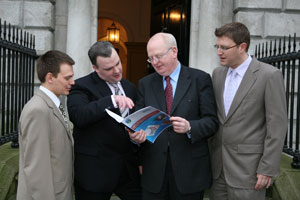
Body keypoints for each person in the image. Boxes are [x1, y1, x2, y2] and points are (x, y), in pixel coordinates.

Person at [130, 32, 219, 200]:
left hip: (189, 173)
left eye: (158, 56)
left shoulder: (200, 79)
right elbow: (138, 123)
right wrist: (136, 137)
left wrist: (190, 127)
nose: (155, 62)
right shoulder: (145, 84)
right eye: (151, 58)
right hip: (154, 173)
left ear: (174, 51)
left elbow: (212, 122)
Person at [209, 22, 288, 200]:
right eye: (217, 46)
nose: (219, 52)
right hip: (217, 169)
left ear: (242, 47)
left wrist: (267, 168)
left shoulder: (269, 75)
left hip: (249, 172)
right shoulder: (217, 74)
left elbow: (277, 126)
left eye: (224, 47)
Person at [67, 41, 141, 200]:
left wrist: (138, 138)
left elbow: (135, 122)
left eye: (118, 63)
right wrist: (111, 100)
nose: (116, 71)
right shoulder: (80, 86)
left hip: (128, 171)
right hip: (95, 174)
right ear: (95, 68)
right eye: (108, 68)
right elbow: (79, 116)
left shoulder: (130, 87)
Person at [17, 50, 75, 200]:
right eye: (67, 78)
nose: (73, 82)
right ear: (50, 77)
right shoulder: (38, 110)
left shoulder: (53, 103)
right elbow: (37, 170)